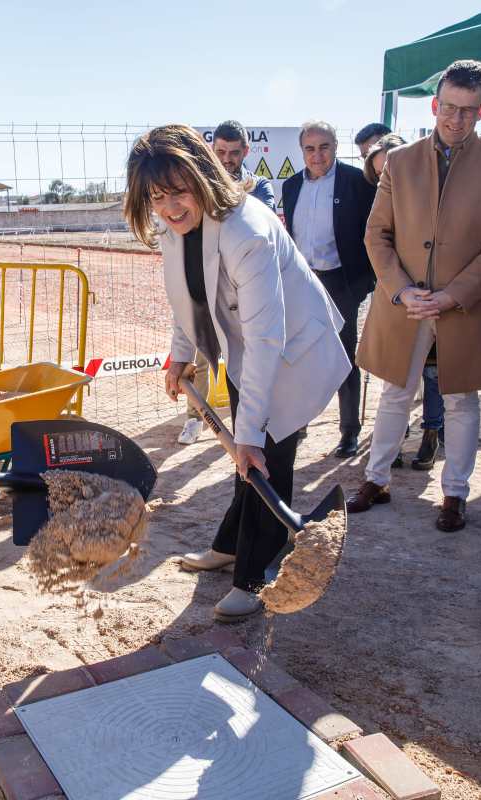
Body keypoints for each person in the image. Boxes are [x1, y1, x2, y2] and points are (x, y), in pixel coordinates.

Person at [124, 124, 349, 621]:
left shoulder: (246, 230)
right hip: (244, 350)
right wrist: (180, 352)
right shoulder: (175, 226)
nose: (168, 206)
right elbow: (189, 295)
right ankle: (231, 545)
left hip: (291, 354)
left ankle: (254, 576)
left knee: (266, 459)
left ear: (203, 177)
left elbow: (268, 338)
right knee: (246, 459)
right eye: (156, 196)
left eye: (177, 191)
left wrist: (249, 433)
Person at [348, 60, 481, 532]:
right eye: (449, 107)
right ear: (435, 104)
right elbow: (376, 234)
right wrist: (402, 290)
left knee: (462, 399)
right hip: (404, 305)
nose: (456, 119)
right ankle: (376, 479)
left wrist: (452, 295)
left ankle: (455, 493)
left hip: (461, 306)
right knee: (395, 393)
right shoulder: (399, 162)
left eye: (468, 110)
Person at [281, 121, 377, 457]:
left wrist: (362, 285)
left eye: (324, 147)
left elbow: (375, 235)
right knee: (301, 355)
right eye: (310, 148)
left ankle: (349, 431)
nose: (317, 155)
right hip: (302, 282)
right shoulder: (292, 186)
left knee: (344, 358)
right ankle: (299, 422)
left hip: (341, 284)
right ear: (302, 151)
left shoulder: (357, 182)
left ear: (335, 147)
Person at [179, 120, 277, 445]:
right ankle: (196, 417)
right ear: (212, 150)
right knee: (205, 353)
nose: (227, 159)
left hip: (245, 288)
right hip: (209, 285)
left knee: (247, 360)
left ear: (246, 151)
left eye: (234, 153)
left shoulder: (259, 186)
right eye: (221, 151)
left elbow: (254, 223)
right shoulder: (200, 188)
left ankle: (250, 428)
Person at [364, 134, 445, 470]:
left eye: (389, 170)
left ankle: (431, 434)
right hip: (396, 298)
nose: (386, 177)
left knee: (433, 373)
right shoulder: (377, 198)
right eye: (380, 172)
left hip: (434, 295)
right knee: (396, 377)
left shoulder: (428, 187)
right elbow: (376, 238)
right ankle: (392, 446)